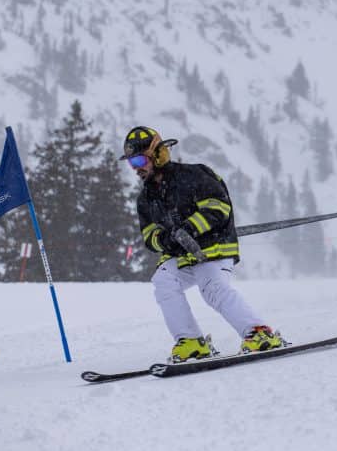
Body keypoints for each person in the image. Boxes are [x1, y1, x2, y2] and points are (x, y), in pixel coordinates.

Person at [121, 125, 283, 362]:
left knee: (211, 288)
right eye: (131, 163)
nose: (136, 169)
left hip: (214, 248)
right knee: (163, 281)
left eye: (139, 160)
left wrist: (189, 229)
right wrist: (165, 240)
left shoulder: (193, 175)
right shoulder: (146, 199)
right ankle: (192, 342)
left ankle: (260, 334)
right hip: (182, 256)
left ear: (158, 154)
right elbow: (149, 235)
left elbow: (219, 207)